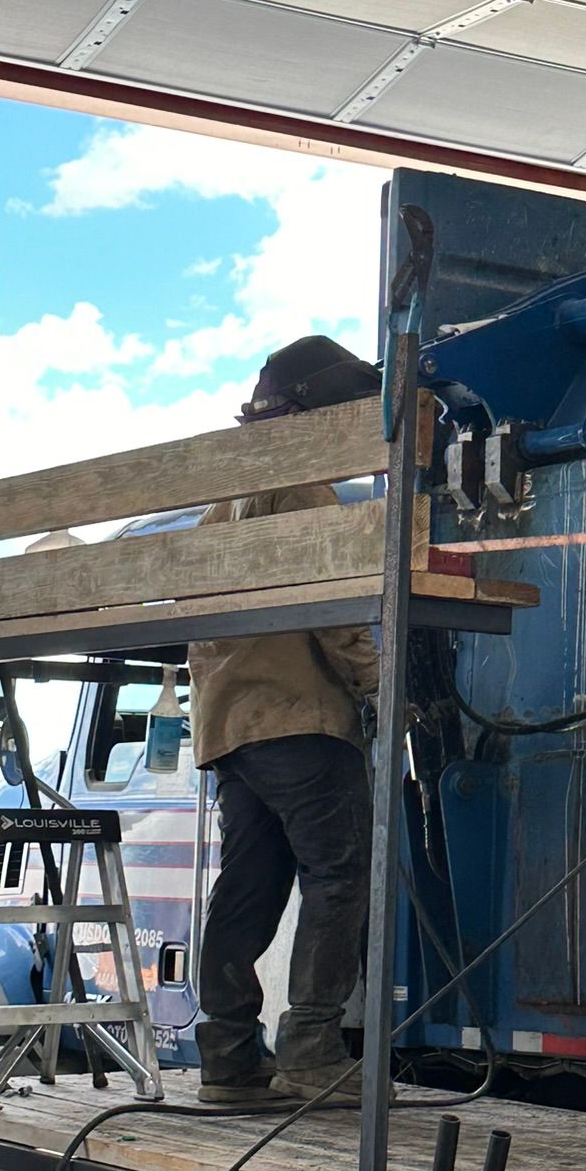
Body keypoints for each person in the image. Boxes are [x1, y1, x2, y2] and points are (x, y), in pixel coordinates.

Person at [190, 334, 382, 1107]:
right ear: (318, 415)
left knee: (250, 886)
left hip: (233, 731)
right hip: (299, 722)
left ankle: (230, 1055)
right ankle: (310, 1044)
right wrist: (386, 678)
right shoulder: (302, 492)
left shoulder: (219, 508)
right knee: (340, 875)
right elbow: (334, 621)